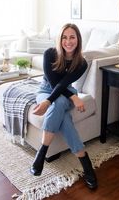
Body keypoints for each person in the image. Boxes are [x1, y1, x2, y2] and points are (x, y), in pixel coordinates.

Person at [30, 23, 97, 190]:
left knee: (59, 101)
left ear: (78, 40)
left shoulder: (82, 63)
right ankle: (86, 163)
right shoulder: (50, 54)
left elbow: (63, 84)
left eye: (72, 37)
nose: (68, 41)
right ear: (59, 40)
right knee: (61, 109)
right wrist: (72, 97)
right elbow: (53, 84)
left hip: (65, 90)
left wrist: (68, 95)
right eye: (64, 37)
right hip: (46, 90)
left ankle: (42, 152)